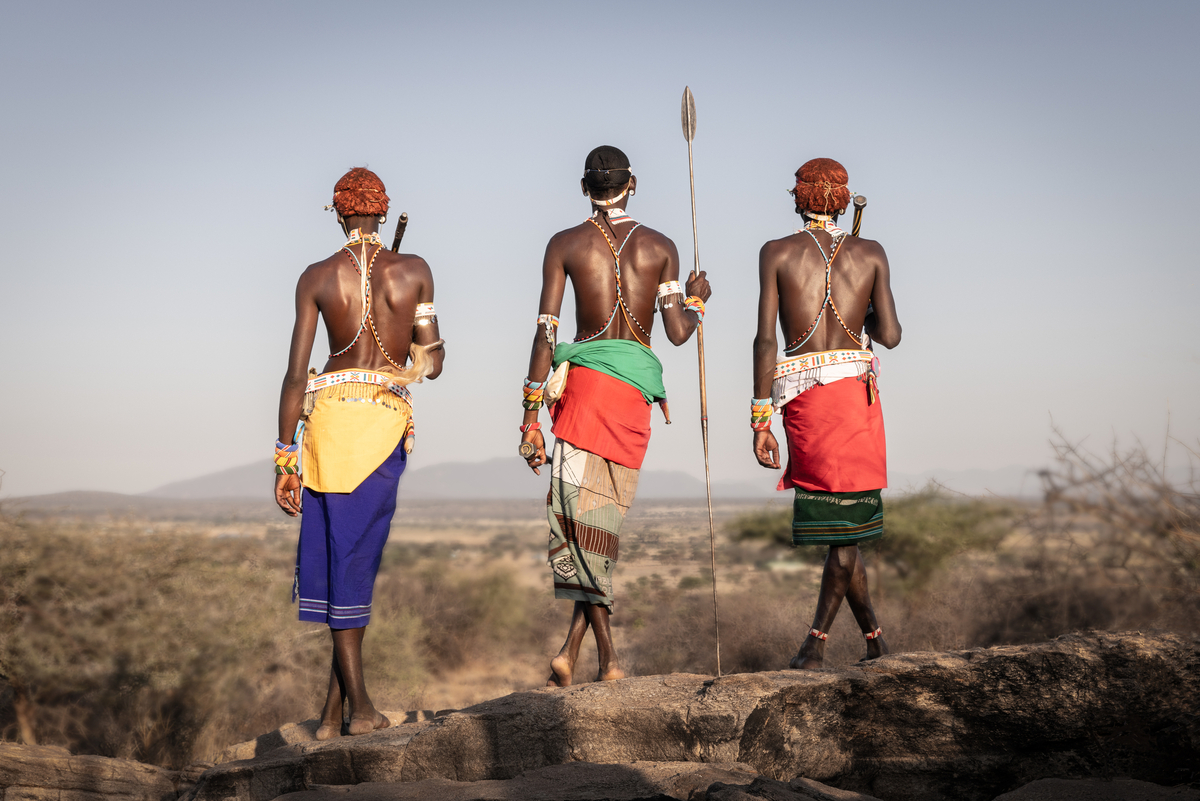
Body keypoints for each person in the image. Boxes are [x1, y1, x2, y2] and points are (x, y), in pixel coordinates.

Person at [519, 146, 711, 687]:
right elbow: (675, 333)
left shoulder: (564, 245)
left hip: (582, 395)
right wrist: (697, 301)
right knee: (601, 526)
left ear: (585, 189)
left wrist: (530, 414)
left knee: (584, 527)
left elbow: (546, 334)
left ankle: (586, 653)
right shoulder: (661, 247)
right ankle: (602, 657)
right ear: (633, 185)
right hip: (630, 402)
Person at [274, 167, 445, 738]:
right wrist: (401, 361)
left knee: (340, 560)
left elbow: (296, 375)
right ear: (380, 210)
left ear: (340, 212)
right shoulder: (413, 271)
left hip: (325, 428)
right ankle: (360, 711)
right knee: (352, 562)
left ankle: (331, 714)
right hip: (382, 427)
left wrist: (283, 456)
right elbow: (434, 361)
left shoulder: (318, 277)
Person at [750, 157, 901, 669]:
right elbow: (892, 337)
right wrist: (870, 312)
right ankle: (869, 641)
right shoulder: (871, 253)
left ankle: (818, 644)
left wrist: (759, 418)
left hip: (806, 400)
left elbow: (766, 340)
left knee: (843, 534)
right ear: (842, 200)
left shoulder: (777, 253)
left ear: (797, 198)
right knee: (844, 531)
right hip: (856, 399)